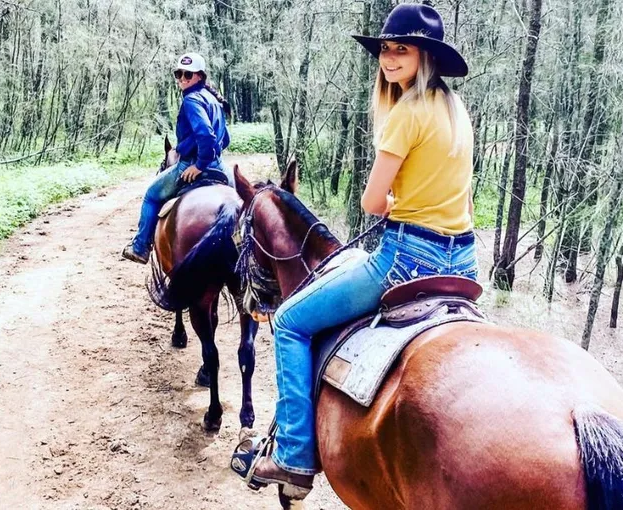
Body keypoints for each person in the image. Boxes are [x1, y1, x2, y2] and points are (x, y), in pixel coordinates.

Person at [250, 1, 479, 493]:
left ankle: (292, 455)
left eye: (403, 49)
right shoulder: (456, 108)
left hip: (406, 259)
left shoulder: (405, 113)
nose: (390, 58)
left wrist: (392, 201)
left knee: (289, 321)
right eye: (385, 49)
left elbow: (373, 201)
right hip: (464, 260)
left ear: (426, 56)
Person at [122, 52, 233, 264]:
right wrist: (211, 157)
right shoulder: (214, 101)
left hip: (192, 164)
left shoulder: (192, 100)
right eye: (179, 74)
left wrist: (199, 165)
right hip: (219, 166)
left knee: (152, 196)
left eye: (188, 75)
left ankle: (140, 246)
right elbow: (224, 139)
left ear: (199, 76)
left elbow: (206, 135)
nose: (182, 78)